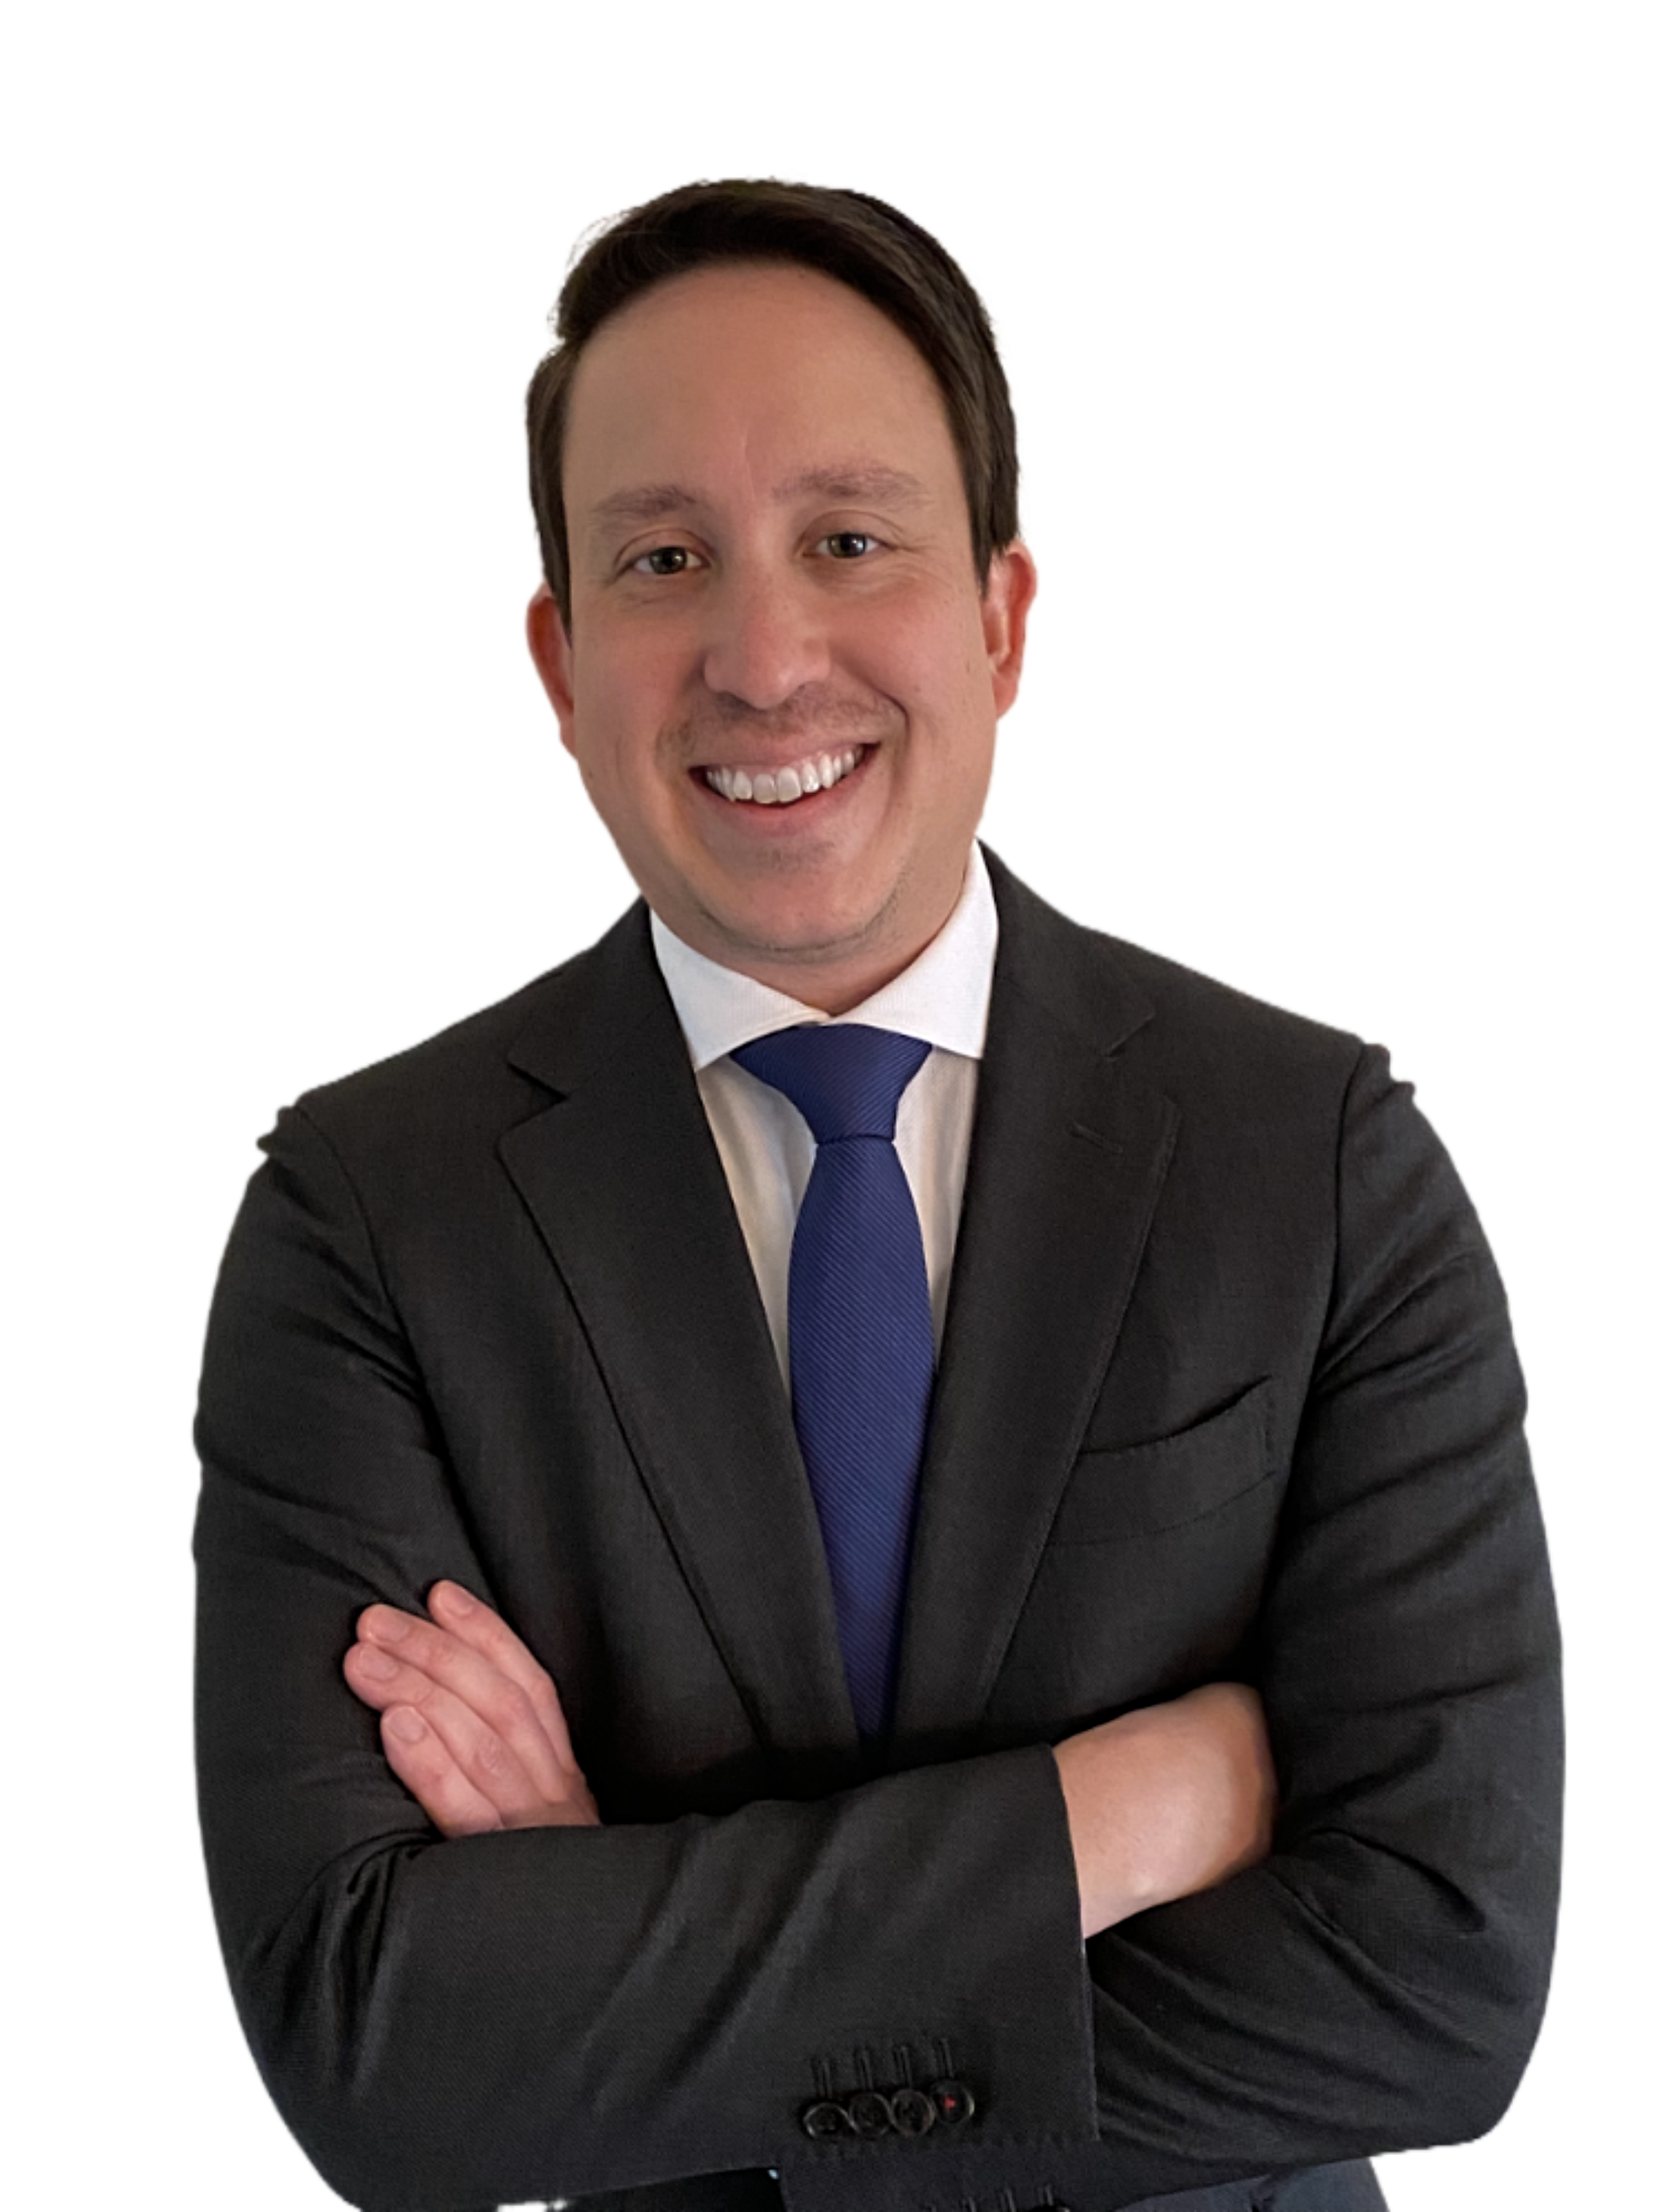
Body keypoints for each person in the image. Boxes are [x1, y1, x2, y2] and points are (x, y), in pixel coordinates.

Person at [189, 174, 1567, 2212]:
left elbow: (1437, 1983)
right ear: (559, 662)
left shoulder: (1320, 1153)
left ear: (1007, 615)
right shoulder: (365, 1211)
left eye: (849, 539)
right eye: (666, 558)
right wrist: (1116, 1813)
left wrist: (624, 1955)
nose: (763, 654)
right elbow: (380, 2047)